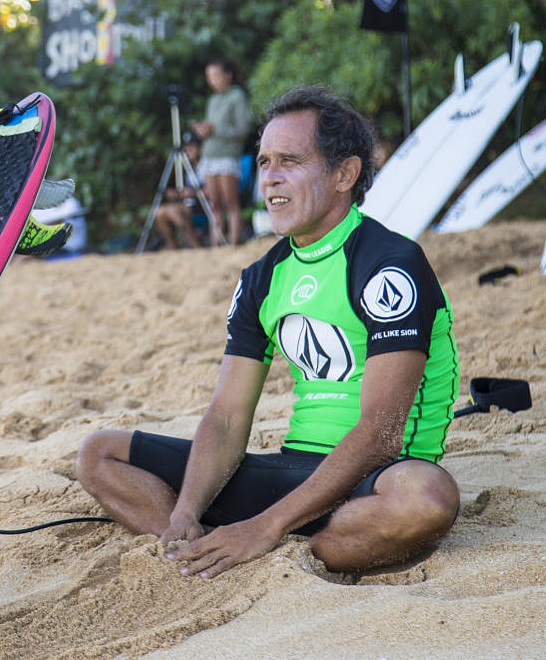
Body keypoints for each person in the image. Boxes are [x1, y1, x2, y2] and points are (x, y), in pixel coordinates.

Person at [76, 85, 460, 579]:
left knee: (427, 500)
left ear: (345, 174)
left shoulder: (390, 264)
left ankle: (274, 547)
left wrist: (266, 527)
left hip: (375, 477)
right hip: (293, 475)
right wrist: (185, 512)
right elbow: (228, 417)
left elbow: (380, 435)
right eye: (263, 162)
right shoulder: (263, 276)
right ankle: (205, 547)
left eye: (290, 161)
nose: (271, 179)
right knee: (99, 454)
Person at [192, 59, 252, 246]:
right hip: (210, 156)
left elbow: (243, 129)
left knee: (231, 203)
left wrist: (214, 129)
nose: (213, 80)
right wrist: (203, 130)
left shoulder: (237, 96)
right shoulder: (212, 100)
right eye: (209, 76)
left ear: (228, 75)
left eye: (216, 75)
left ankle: (233, 243)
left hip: (227, 156)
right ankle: (215, 244)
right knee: (214, 205)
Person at [154, 131, 205, 250]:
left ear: (200, 147)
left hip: (202, 207)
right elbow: (181, 191)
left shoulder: (206, 166)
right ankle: (174, 248)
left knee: (174, 211)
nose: (188, 150)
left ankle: (196, 245)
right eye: (186, 147)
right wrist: (175, 193)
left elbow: (211, 191)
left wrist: (192, 193)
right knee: (159, 212)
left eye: (192, 146)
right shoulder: (185, 167)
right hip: (186, 205)